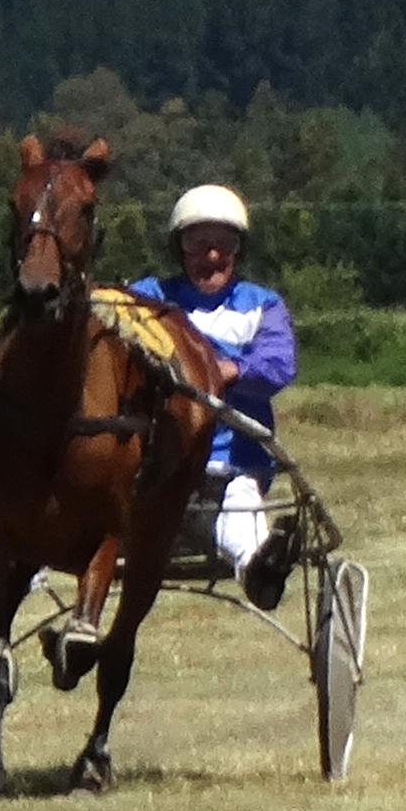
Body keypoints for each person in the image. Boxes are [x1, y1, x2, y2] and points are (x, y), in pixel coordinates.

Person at [130, 184, 301, 606]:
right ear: (179, 248)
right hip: (156, 464)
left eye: (223, 244)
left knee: (240, 514)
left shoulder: (262, 305)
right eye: (197, 243)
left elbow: (280, 364)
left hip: (232, 463)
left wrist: (229, 370)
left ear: (238, 249)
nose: (211, 256)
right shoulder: (148, 296)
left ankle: (259, 568)